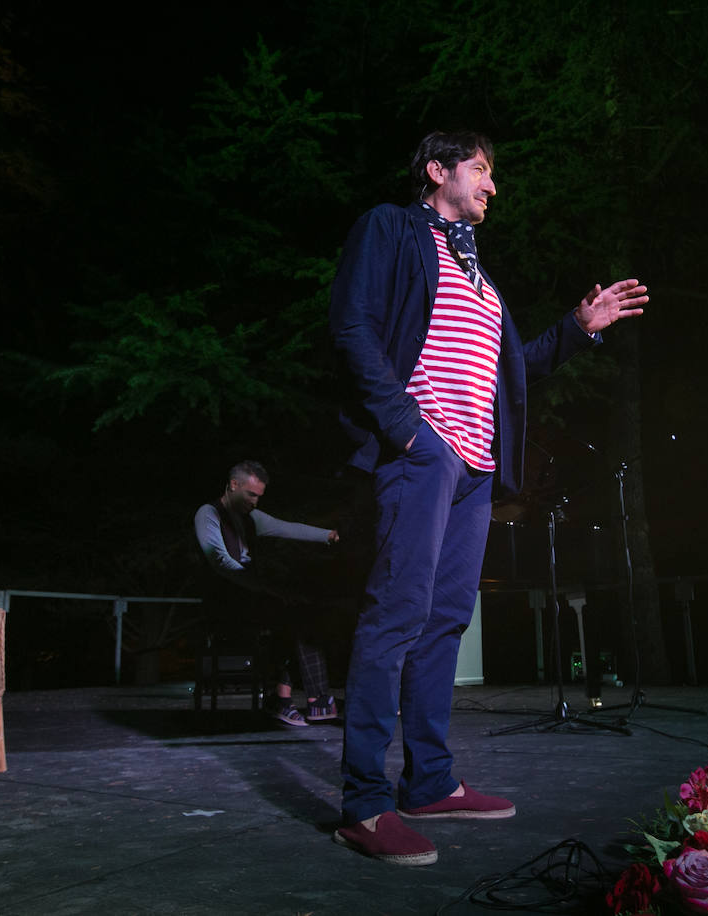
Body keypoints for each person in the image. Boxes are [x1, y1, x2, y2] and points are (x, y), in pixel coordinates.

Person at [327, 129, 648, 865]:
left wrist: (577, 330)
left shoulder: (478, 275)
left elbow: (513, 373)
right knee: (397, 614)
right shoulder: (393, 229)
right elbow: (352, 326)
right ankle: (365, 804)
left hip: (475, 470)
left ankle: (431, 780)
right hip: (423, 454)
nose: (492, 187)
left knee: (444, 621)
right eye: (481, 170)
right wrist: (409, 430)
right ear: (437, 171)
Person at [194, 460, 341, 726]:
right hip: (223, 597)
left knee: (299, 612)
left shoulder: (251, 518)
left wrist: (327, 535)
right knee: (290, 613)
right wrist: (265, 588)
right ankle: (300, 699)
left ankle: (288, 699)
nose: (255, 502)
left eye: (259, 496)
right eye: (251, 494)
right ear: (233, 485)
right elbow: (219, 561)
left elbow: (286, 527)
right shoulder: (208, 513)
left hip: (250, 594)